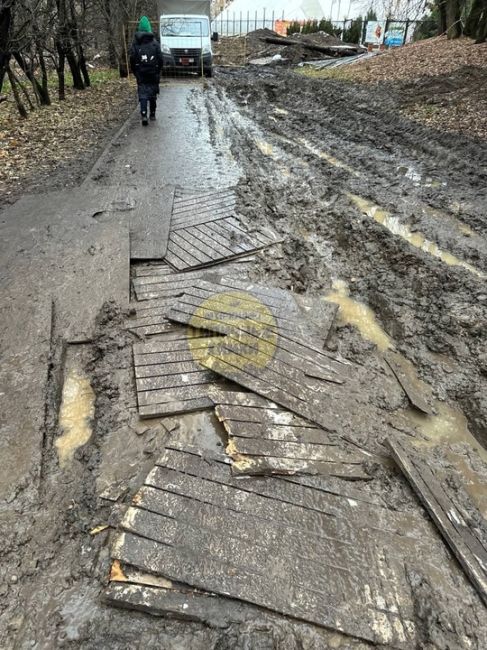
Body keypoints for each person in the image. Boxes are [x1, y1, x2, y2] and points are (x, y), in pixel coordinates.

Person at [130, 16, 164, 126]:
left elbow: (132, 59)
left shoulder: (136, 44)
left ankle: (144, 114)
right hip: (153, 73)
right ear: (149, 29)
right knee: (152, 94)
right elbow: (161, 59)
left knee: (143, 94)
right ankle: (152, 114)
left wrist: (136, 72)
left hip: (141, 73)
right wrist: (158, 71)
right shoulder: (155, 43)